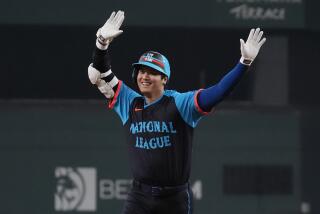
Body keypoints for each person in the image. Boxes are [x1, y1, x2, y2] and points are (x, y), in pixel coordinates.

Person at [88, 10, 266, 214]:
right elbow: (101, 71)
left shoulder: (180, 103)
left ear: (164, 79)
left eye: (153, 72)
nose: (144, 76)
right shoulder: (129, 102)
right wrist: (100, 44)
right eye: (141, 71)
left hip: (174, 199)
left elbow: (217, 92)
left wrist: (243, 64)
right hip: (139, 196)